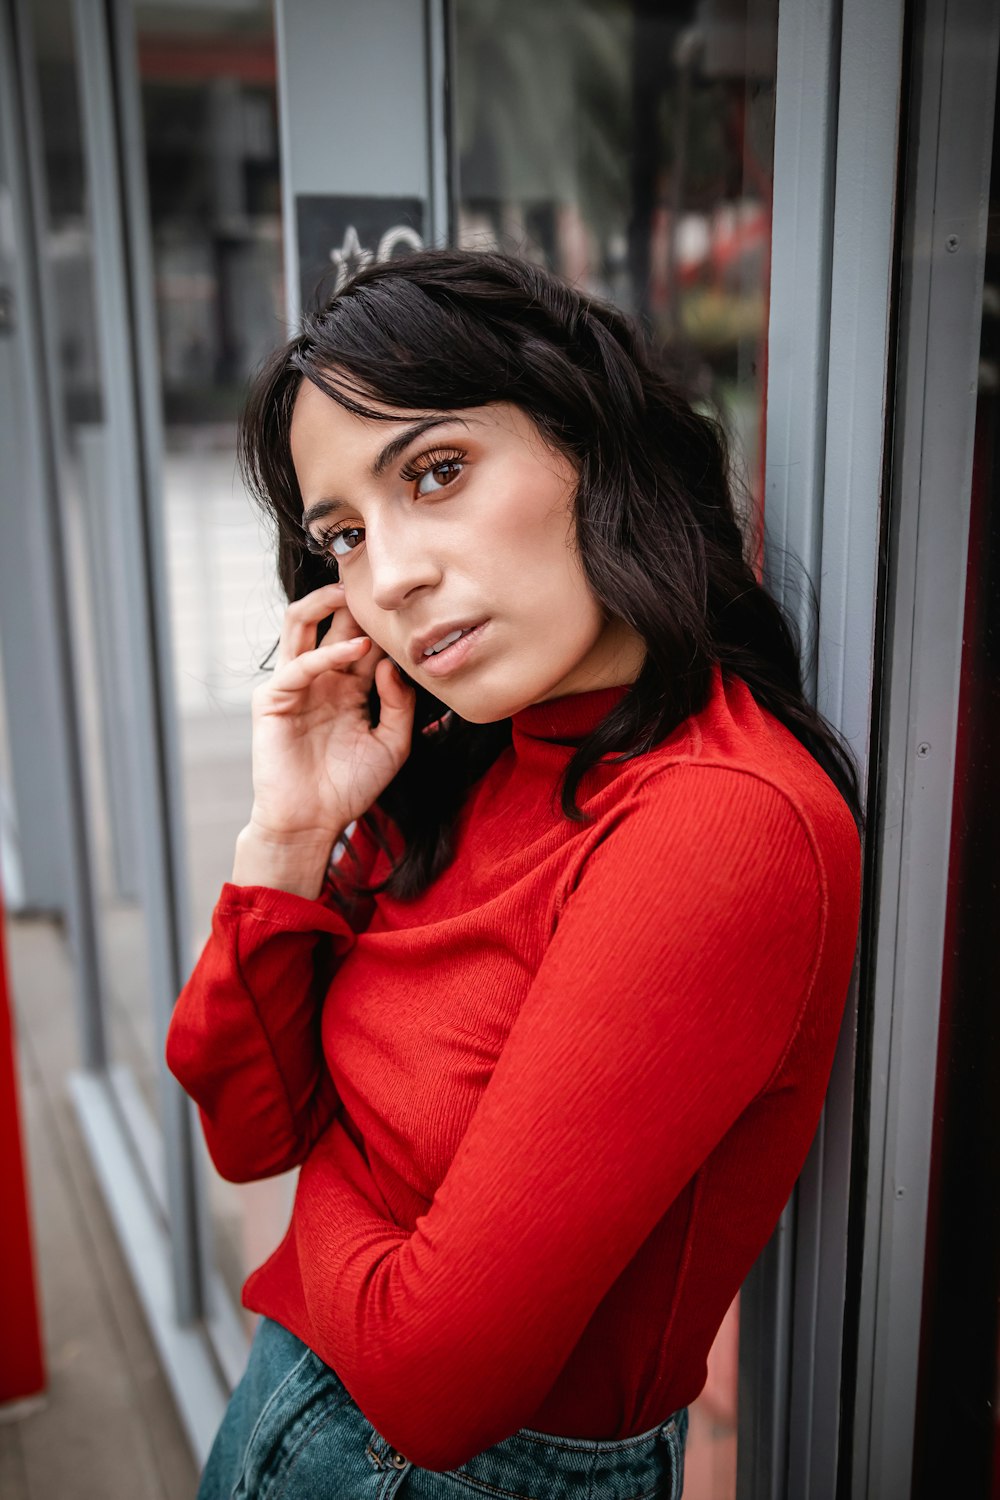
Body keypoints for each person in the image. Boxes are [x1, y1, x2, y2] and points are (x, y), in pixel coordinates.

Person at [166, 248, 863, 1500]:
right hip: (298, 1416)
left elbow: (440, 1383)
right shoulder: (464, 756)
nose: (391, 577)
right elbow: (246, 1127)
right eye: (345, 535)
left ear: (592, 443)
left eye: (436, 472)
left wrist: (339, 1180)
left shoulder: (716, 824)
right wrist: (284, 839)